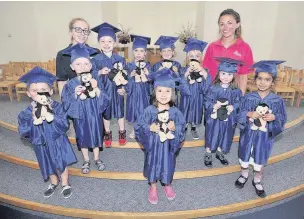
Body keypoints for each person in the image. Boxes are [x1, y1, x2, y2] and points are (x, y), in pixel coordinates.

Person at [18, 66, 77, 198]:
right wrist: (33, 120)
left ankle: (65, 183)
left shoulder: (58, 107)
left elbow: (64, 125)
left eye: (43, 90)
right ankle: (54, 182)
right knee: (46, 161)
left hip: (58, 141)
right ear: (28, 93)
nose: (39, 93)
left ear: (50, 91)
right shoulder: (27, 112)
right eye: (34, 90)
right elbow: (24, 131)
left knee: (61, 161)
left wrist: (51, 116)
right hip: (41, 143)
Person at [235, 60, 287, 198]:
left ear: (272, 82)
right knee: (245, 154)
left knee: (260, 157)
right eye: (260, 78)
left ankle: (257, 179)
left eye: (267, 79)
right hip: (248, 134)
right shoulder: (248, 97)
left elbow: (282, 118)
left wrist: (274, 117)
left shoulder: (277, 101)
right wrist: (248, 114)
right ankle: (244, 174)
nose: (262, 82)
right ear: (255, 79)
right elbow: (238, 113)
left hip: (264, 137)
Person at [135, 68, 186, 205]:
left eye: (168, 91)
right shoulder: (148, 111)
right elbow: (139, 127)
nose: (163, 94)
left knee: (168, 165)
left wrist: (175, 128)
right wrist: (148, 128)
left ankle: (167, 184)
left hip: (168, 148)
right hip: (153, 147)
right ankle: (152, 187)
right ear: (154, 92)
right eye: (160, 91)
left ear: (173, 93)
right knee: (152, 165)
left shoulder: (175, 112)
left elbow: (182, 128)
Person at [61, 44, 109, 174]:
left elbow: (105, 98)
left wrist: (96, 88)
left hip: (94, 115)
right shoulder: (70, 85)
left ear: (91, 66)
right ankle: (86, 160)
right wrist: (75, 95)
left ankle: (97, 158)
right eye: (78, 64)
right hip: (80, 117)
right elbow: (66, 103)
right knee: (82, 137)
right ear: (72, 67)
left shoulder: (95, 80)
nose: (82, 67)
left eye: (86, 63)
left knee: (97, 135)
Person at [91, 22, 127, 147]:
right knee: (106, 114)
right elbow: (91, 75)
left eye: (110, 41)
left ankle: (122, 133)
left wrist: (124, 89)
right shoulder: (95, 60)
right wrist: (100, 72)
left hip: (117, 91)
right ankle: (107, 133)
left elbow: (125, 76)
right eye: (103, 41)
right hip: (104, 91)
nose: (106, 44)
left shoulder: (120, 59)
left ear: (115, 43)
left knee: (120, 113)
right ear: (98, 43)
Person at [203, 9, 254, 95]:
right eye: (222, 24)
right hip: (213, 93)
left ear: (237, 24)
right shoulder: (212, 47)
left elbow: (243, 76)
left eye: (229, 23)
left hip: (233, 94)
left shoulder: (245, 47)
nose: (225, 27)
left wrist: (240, 97)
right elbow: (207, 73)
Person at [204, 57, 243, 167]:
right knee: (212, 134)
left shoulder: (236, 91)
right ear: (218, 74)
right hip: (214, 118)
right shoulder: (213, 88)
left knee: (225, 134)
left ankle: (219, 151)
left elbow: (240, 102)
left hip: (228, 118)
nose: (226, 77)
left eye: (229, 74)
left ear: (234, 76)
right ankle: (208, 153)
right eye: (223, 73)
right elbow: (207, 101)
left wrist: (233, 107)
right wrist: (213, 106)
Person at [56, 18, 99, 97]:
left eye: (85, 30)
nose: (82, 33)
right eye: (78, 29)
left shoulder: (96, 53)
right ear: (71, 32)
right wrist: (65, 104)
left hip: (93, 98)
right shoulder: (63, 55)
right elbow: (62, 83)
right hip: (74, 98)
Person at [179, 37, 211, 140]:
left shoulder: (204, 70)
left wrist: (204, 73)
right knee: (185, 111)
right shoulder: (183, 69)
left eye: (197, 56)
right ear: (187, 58)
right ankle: (183, 127)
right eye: (191, 56)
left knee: (195, 112)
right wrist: (186, 73)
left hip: (198, 96)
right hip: (186, 97)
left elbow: (208, 87)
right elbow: (180, 84)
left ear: (201, 58)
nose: (194, 58)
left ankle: (193, 127)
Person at [125, 34, 152, 139]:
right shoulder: (129, 66)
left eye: (141, 51)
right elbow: (125, 82)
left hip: (144, 94)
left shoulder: (148, 66)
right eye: (136, 51)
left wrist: (148, 74)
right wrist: (130, 76)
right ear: (133, 52)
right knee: (135, 111)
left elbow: (151, 83)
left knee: (144, 110)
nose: (139, 54)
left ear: (145, 53)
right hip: (133, 94)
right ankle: (135, 129)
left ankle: (144, 129)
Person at [152, 36, 182, 106]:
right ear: (160, 53)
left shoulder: (177, 65)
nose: (166, 53)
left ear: (173, 52)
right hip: (160, 95)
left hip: (173, 94)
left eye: (169, 50)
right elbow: (152, 82)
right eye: (164, 51)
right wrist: (157, 72)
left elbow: (180, 82)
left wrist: (177, 72)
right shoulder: (156, 66)